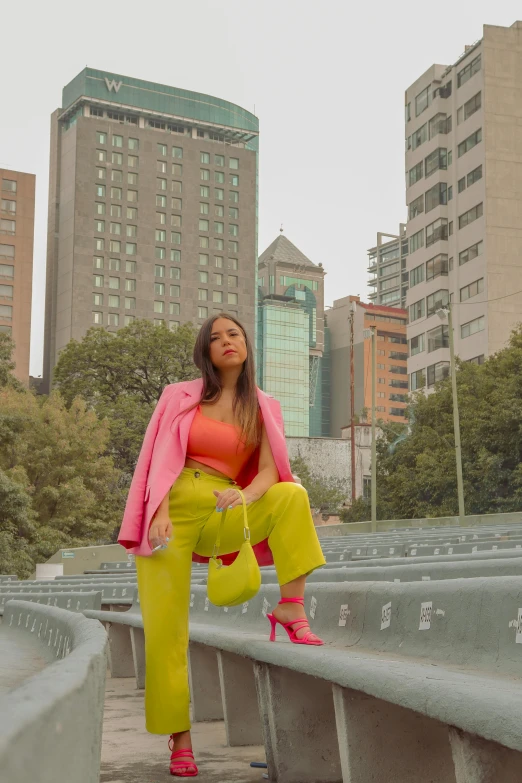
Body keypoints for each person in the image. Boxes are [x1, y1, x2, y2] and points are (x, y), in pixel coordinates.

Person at [117, 313, 326, 778]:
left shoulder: (264, 405)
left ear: (247, 344)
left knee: (293, 495)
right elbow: (152, 456)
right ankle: (180, 737)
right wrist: (157, 511)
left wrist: (245, 495)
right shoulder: (180, 395)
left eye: (234, 334)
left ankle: (291, 607)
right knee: (166, 630)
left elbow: (273, 471)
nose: (226, 341)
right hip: (171, 510)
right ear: (206, 352)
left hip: (223, 507)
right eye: (216, 338)